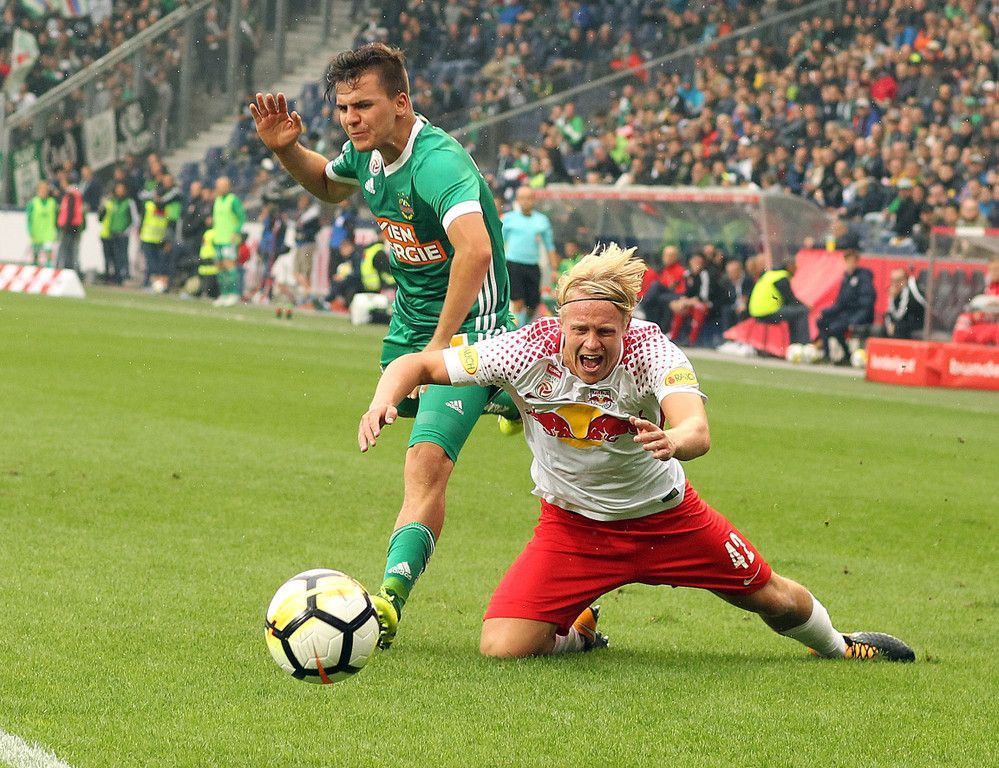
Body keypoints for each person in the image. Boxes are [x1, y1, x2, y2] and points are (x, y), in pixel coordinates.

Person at [358, 243, 915, 663]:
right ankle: (580, 633)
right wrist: (384, 399)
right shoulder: (524, 347)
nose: (591, 343)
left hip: (668, 521)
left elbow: (695, 427)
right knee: (503, 645)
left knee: (774, 599)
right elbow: (417, 364)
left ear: (627, 324)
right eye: (579, 329)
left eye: (605, 331)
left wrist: (674, 441)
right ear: (560, 323)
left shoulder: (652, 351)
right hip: (572, 527)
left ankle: (840, 647)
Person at [250, 42, 516, 649]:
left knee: (425, 463)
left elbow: (475, 251)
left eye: (363, 105)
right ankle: (506, 395)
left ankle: (388, 602)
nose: (351, 118)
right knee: (422, 426)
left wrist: (437, 355)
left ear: (401, 101)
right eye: (343, 108)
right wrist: (286, 149)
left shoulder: (438, 164)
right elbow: (328, 185)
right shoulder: (368, 156)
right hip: (407, 329)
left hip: (472, 329)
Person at [502, 185, 557, 325]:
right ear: (517, 200)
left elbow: (549, 245)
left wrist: (554, 269)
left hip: (532, 265)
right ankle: (518, 331)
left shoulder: (541, 220)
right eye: (522, 198)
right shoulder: (508, 219)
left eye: (528, 198)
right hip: (513, 264)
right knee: (518, 301)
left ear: (534, 199)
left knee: (533, 305)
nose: (525, 201)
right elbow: (499, 242)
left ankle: (524, 324)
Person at [812, 250, 875, 364]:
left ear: (857, 262)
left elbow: (867, 304)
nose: (849, 264)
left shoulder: (864, 278)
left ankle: (847, 356)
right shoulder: (846, 278)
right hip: (845, 315)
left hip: (858, 316)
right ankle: (827, 355)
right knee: (821, 321)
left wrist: (855, 320)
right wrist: (825, 312)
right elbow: (840, 303)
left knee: (835, 328)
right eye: (847, 261)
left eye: (852, 261)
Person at [748, 258, 810, 345]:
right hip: (768, 312)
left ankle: (794, 344)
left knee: (793, 314)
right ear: (789, 266)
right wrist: (806, 306)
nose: (796, 271)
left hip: (756, 312)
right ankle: (804, 344)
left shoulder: (771, 275)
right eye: (795, 268)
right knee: (802, 311)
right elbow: (790, 299)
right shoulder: (781, 277)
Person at [211, 176, 246, 307]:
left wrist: (236, 232)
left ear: (227, 187)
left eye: (220, 186)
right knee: (220, 267)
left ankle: (234, 294)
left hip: (229, 239)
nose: (218, 188)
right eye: (217, 185)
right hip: (218, 239)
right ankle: (224, 294)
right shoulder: (217, 200)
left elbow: (242, 217)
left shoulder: (233, 200)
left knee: (229, 265)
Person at [99, 182, 138, 285]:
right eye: (118, 189)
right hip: (112, 233)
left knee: (122, 256)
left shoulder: (129, 202)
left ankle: (123, 277)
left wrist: (126, 231)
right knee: (113, 257)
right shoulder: (113, 201)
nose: (119, 191)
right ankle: (115, 277)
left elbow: (135, 220)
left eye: (121, 189)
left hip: (123, 234)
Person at [875, 267, 925, 340]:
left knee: (898, 330)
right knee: (883, 330)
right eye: (893, 280)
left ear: (905, 280)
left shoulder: (913, 293)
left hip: (915, 323)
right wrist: (894, 298)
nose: (895, 284)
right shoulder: (893, 294)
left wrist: (896, 298)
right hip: (900, 324)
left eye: (898, 280)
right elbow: (890, 314)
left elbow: (907, 314)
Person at [56, 172, 86, 273]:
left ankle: (69, 270)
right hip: (74, 225)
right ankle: (72, 270)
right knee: (72, 249)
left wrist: (66, 225)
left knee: (67, 249)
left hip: (70, 226)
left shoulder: (71, 195)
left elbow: (70, 212)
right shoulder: (74, 194)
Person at [25, 181, 58, 267]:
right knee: (35, 255)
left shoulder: (52, 202)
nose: (43, 191)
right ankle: (35, 268)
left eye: (45, 189)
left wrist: (57, 230)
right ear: (38, 190)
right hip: (36, 233)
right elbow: (28, 218)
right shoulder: (33, 203)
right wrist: (30, 230)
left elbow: (57, 217)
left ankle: (48, 268)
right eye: (41, 189)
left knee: (48, 253)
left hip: (48, 232)